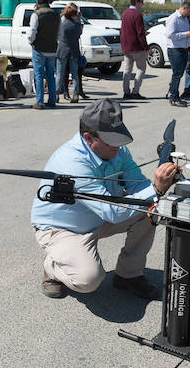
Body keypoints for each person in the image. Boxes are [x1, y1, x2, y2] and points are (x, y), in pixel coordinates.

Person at [31, 98, 181, 299]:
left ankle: (128, 274)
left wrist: (160, 183)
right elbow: (113, 212)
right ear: (88, 137)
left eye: (119, 139)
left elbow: (137, 184)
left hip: (98, 217)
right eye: (112, 141)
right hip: (62, 229)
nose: (118, 147)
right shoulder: (72, 162)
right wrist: (156, 189)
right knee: (88, 280)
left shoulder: (115, 149)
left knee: (150, 211)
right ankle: (52, 267)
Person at [28, 0, 59, 110]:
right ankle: (52, 100)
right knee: (51, 75)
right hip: (52, 48)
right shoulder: (56, 14)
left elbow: (32, 32)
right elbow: (59, 33)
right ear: (48, 2)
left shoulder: (36, 14)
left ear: (38, 2)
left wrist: (31, 42)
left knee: (39, 75)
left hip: (39, 49)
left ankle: (39, 102)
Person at [164, 0, 190, 107]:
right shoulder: (173, 18)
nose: (189, 14)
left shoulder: (184, 19)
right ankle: (174, 97)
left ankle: (175, 94)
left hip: (183, 48)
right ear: (184, 8)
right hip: (175, 49)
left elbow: (183, 34)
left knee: (179, 73)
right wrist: (186, 34)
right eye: (189, 11)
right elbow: (170, 35)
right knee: (177, 74)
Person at [120, 0, 147, 100]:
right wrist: (146, 47)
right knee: (141, 69)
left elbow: (123, 30)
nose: (142, 4)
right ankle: (135, 91)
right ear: (137, 2)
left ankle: (126, 92)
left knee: (127, 70)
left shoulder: (125, 13)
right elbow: (140, 33)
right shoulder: (137, 14)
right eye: (142, 2)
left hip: (126, 46)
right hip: (137, 47)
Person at [56, 3, 83, 103]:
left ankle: (56, 94)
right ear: (73, 15)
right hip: (73, 51)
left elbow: (58, 35)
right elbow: (79, 34)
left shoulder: (62, 24)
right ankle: (76, 94)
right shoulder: (76, 25)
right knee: (75, 74)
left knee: (59, 73)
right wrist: (79, 20)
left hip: (62, 50)